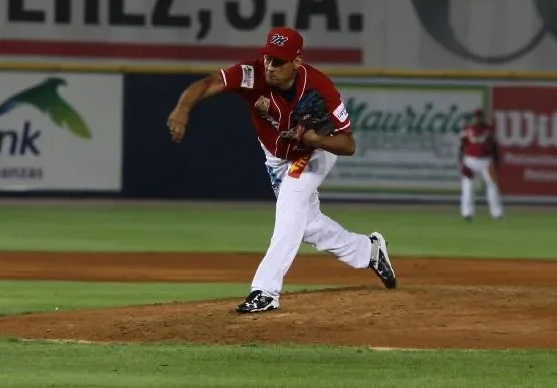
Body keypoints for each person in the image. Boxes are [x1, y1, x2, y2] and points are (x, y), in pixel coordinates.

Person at [166, 27, 397, 314]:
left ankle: (265, 290)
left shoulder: (320, 88)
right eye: (268, 59)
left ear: (296, 62)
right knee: (306, 225)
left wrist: (315, 139)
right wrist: (183, 108)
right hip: (275, 157)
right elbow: (207, 84)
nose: (270, 67)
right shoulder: (252, 75)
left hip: (314, 152)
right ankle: (368, 251)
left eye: (278, 62)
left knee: (290, 205)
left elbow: (348, 145)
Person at [459, 108, 504, 221]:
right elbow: (461, 147)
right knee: (468, 187)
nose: (477, 119)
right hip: (470, 161)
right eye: (475, 117)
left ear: (482, 117)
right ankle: (467, 213)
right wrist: (461, 163)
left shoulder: (489, 130)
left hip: (486, 161)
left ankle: (496, 213)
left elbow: (494, 148)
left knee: (492, 186)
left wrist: (496, 163)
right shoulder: (467, 130)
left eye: (479, 117)